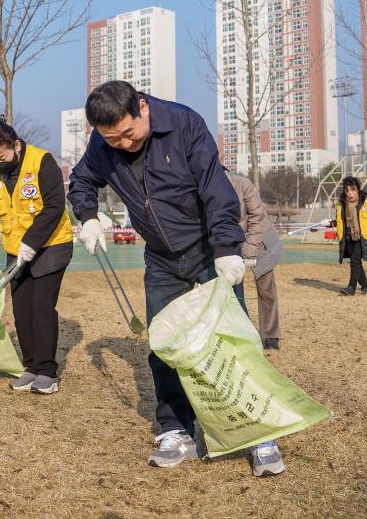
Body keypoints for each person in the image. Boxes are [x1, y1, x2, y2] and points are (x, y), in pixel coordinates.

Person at [68, 81, 285, 477]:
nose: (122, 145)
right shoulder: (103, 143)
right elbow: (81, 180)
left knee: (233, 339)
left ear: (143, 108)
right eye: (112, 139)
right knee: (164, 344)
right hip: (161, 257)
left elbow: (216, 190)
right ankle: (177, 429)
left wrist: (227, 248)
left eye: (128, 133)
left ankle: (260, 433)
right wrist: (88, 217)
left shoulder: (184, 124)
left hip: (209, 250)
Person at [0, 115, 73, 394]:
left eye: (2, 156)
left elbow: (55, 206)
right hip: (16, 249)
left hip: (51, 245)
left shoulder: (42, 161)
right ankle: (31, 367)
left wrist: (32, 242)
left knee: (41, 307)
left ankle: (47, 372)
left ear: (16, 145)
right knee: (21, 310)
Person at [225, 169, 283, 351]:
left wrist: (249, 252)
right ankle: (239, 332)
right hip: (230, 243)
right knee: (232, 290)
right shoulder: (207, 187)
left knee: (266, 290)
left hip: (259, 240)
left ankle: (271, 335)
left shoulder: (243, 184)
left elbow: (258, 217)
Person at [329, 176, 367, 295]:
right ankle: (365, 287)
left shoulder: (366, 201)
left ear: (358, 189)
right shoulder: (341, 204)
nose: (350, 193)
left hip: (362, 237)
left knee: (354, 261)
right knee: (357, 263)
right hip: (348, 237)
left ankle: (351, 288)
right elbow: (340, 220)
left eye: (353, 190)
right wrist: (330, 223)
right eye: (347, 190)